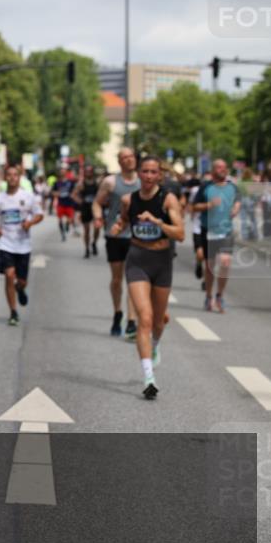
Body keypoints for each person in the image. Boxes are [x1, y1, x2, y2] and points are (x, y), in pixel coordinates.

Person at [109, 156, 184, 399]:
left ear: (159, 176)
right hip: (138, 260)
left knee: (159, 321)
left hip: (162, 262)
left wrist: (157, 222)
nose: (149, 176)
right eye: (145, 171)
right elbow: (124, 219)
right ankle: (149, 377)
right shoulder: (128, 199)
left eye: (153, 172)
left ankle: (157, 345)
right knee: (146, 318)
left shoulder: (167, 199)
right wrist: (118, 227)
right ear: (139, 174)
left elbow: (180, 233)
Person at [0, 165, 44, 327]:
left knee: (22, 281)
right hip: (5, 243)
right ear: (5, 178)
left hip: (23, 244)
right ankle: (13, 312)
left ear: (19, 178)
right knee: (9, 275)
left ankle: (21, 289)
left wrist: (30, 223)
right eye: (9, 175)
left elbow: (40, 215)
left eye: (15, 175)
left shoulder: (28, 196)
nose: (12, 178)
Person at [93, 147, 140, 339]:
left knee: (133, 279)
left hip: (136, 237)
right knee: (117, 279)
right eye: (124, 157)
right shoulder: (111, 182)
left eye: (131, 156)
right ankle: (117, 312)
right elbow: (97, 203)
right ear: (119, 162)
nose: (129, 160)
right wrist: (98, 218)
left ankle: (131, 321)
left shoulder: (142, 181)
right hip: (115, 235)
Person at [191, 159, 241, 313]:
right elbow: (194, 206)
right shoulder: (205, 187)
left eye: (224, 167)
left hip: (226, 231)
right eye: (218, 167)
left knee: (225, 263)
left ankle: (219, 296)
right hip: (208, 230)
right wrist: (209, 205)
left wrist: (235, 209)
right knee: (210, 265)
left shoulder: (232, 187)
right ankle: (208, 296)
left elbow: (238, 201)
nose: (222, 169)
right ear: (213, 170)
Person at [72, 164, 101, 258]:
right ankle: (87, 249)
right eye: (87, 171)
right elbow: (73, 195)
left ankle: (94, 243)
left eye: (90, 171)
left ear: (93, 172)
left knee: (97, 228)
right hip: (85, 208)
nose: (88, 173)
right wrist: (81, 201)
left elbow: (103, 193)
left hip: (96, 208)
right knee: (86, 229)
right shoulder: (81, 184)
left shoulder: (97, 182)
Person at [53, 167, 77, 242]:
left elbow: (75, 190)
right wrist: (56, 194)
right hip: (61, 203)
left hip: (69, 203)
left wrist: (73, 195)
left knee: (70, 219)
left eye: (64, 171)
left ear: (66, 172)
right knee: (60, 220)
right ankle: (63, 234)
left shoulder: (71, 182)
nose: (62, 173)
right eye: (61, 171)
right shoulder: (57, 183)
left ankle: (67, 224)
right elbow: (53, 192)